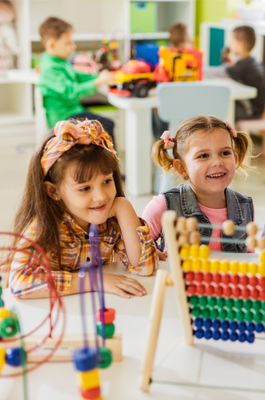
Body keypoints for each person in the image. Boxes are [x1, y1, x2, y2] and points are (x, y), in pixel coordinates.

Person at [8, 120, 157, 299]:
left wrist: (123, 206)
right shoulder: (43, 226)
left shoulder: (112, 221)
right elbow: (19, 282)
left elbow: (145, 267)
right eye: (85, 188)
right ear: (53, 191)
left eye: (107, 181)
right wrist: (94, 281)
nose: (101, 196)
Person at [143, 116, 254, 256]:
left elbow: (250, 256)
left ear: (235, 159)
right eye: (203, 156)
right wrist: (151, 254)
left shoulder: (245, 207)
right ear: (182, 168)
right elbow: (137, 248)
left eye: (225, 153)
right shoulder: (163, 205)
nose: (217, 162)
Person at [37, 17, 117, 140]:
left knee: (107, 124)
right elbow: (71, 91)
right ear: (52, 45)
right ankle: (104, 158)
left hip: (74, 112)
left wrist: (99, 76)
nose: (74, 47)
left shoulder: (60, 61)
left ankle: (102, 158)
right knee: (105, 125)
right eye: (68, 43)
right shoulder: (50, 68)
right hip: (64, 118)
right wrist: (98, 82)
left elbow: (78, 76)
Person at [223, 25, 265, 121]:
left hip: (250, 110)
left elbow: (223, 72)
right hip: (255, 108)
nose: (230, 45)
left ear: (240, 45)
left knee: (223, 110)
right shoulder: (251, 61)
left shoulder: (244, 66)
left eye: (232, 42)